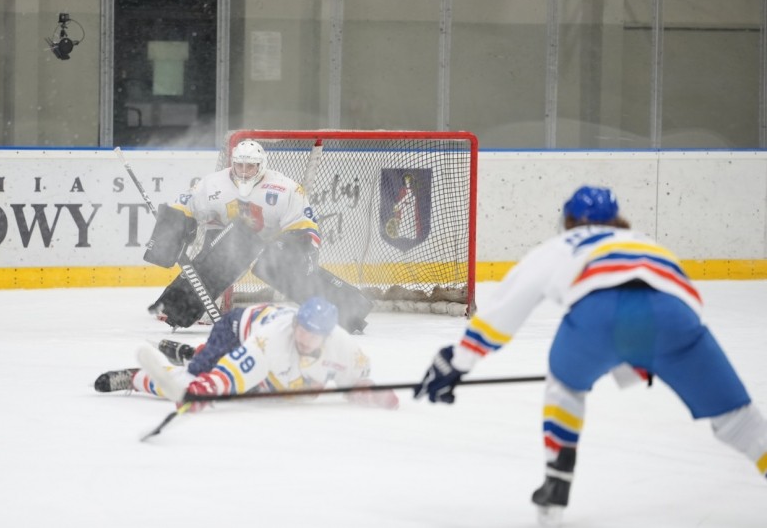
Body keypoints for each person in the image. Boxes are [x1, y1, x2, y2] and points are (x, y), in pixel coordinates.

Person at [414, 185, 767, 525]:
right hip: (675, 319)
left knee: (564, 386)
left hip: (598, 317)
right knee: (740, 420)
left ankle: (556, 481)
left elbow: (511, 303)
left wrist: (459, 360)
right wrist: (642, 360)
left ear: (568, 221)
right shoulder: (643, 242)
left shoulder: (563, 244)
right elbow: (674, 300)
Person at [141, 138, 372, 333]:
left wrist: (303, 254)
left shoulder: (286, 188)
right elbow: (183, 206)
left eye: (250, 167)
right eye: (239, 166)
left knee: (281, 265)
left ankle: (349, 310)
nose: (243, 172)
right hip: (225, 239)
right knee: (233, 246)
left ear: (261, 166)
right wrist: (171, 228)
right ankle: (177, 307)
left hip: (273, 241)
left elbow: (305, 226)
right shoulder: (212, 184)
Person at [95, 298, 397, 410]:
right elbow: (228, 377)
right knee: (193, 378)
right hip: (236, 330)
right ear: (295, 324)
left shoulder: (344, 348)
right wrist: (201, 391)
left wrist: (370, 393)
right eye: (302, 329)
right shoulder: (271, 342)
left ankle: (192, 352)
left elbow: (358, 381)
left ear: (328, 335)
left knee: (304, 392)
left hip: (265, 349)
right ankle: (136, 378)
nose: (304, 338)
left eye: (313, 333)